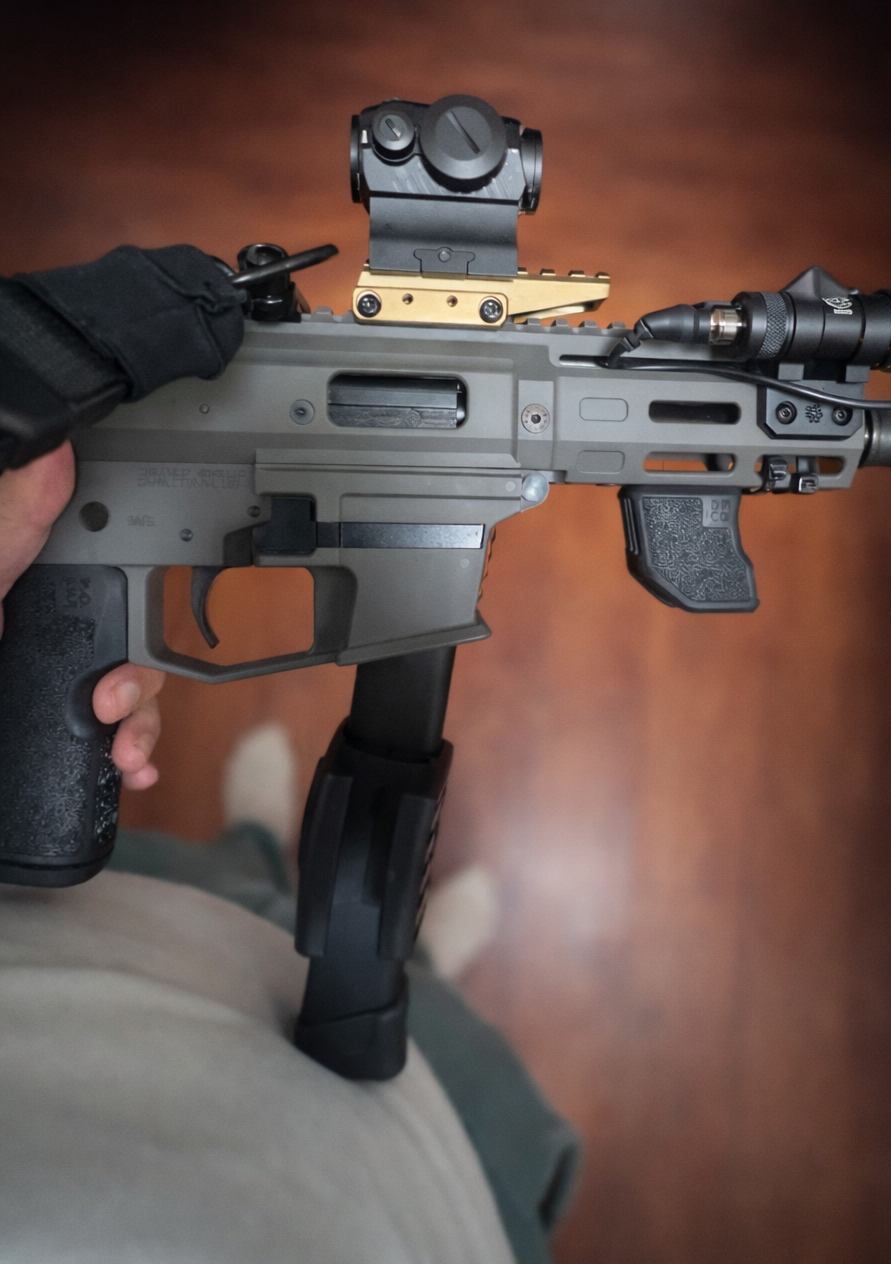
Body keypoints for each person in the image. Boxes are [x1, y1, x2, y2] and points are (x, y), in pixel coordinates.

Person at [0, 443, 579, 1264]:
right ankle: (416, 961)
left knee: (222, 880)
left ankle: (263, 847)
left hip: (96, 942)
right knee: (426, 1021)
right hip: (265, 1081)